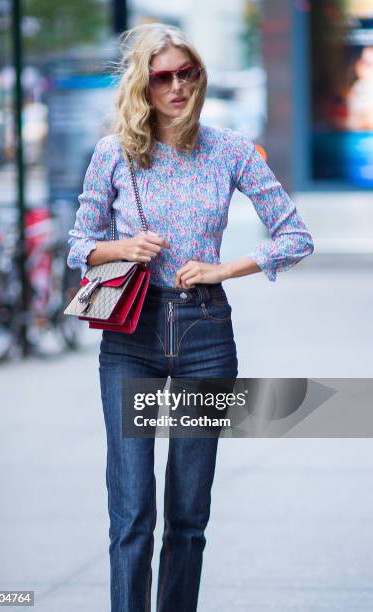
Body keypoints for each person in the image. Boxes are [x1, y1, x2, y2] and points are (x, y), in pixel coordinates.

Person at [66, 22, 314, 612]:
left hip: (206, 335)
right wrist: (123, 249)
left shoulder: (228, 149)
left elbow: (295, 236)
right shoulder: (115, 153)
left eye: (187, 73)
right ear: (142, 86)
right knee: (131, 511)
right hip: (132, 336)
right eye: (162, 77)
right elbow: (80, 245)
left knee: (188, 514)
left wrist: (221, 270)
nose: (177, 86)